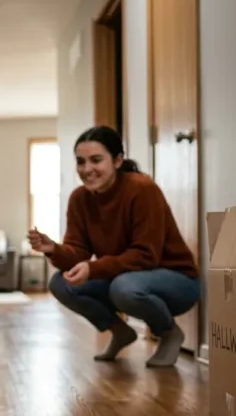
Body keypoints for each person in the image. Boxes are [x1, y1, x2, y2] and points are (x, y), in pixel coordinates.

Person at [28, 126, 199, 367]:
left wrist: (92, 268)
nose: (87, 169)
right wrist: (53, 249)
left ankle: (170, 332)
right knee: (60, 283)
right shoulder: (80, 198)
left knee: (124, 287)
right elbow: (78, 252)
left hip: (178, 280)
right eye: (81, 162)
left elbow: (145, 256)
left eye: (96, 160)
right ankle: (120, 331)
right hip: (126, 277)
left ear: (118, 160)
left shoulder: (142, 189)